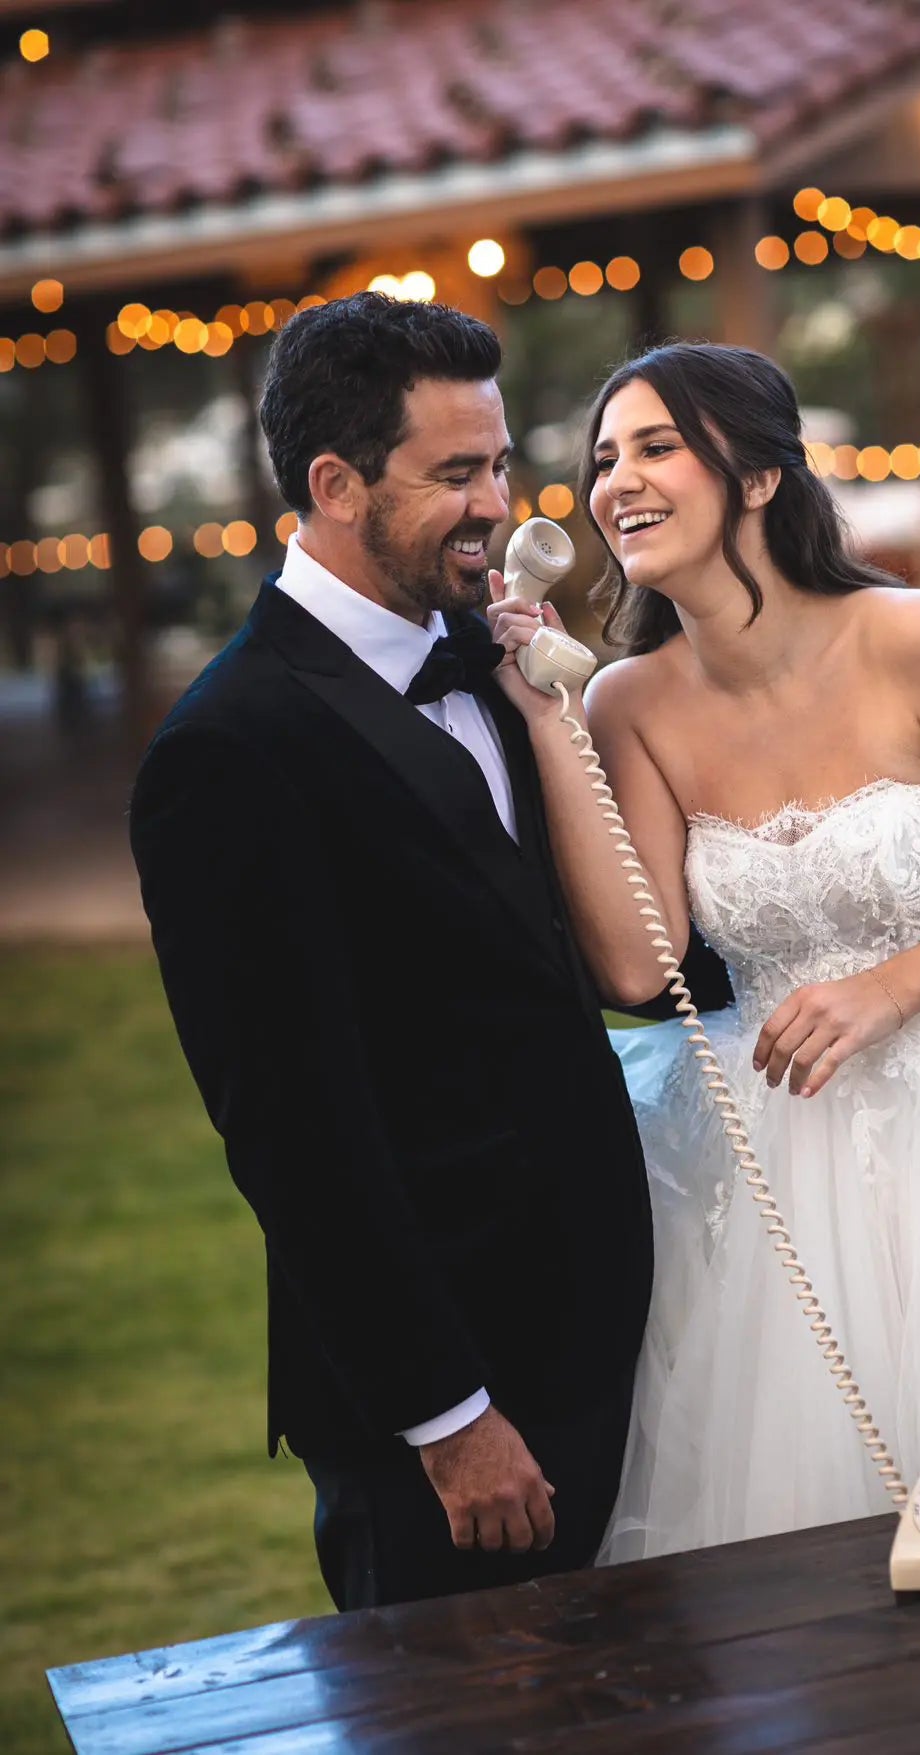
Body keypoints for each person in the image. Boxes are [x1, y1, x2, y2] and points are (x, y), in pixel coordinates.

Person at [486, 341, 920, 1563]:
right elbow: (641, 969)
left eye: (654, 447)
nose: (615, 482)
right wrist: (548, 721)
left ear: (755, 477)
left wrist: (888, 990)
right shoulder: (625, 703)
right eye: (601, 459)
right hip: (777, 1151)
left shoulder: (919, 639)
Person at [129, 292, 657, 1609]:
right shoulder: (227, 750)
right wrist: (447, 1416)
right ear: (335, 483)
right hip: (449, 1408)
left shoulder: (489, 658)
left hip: (601, 1336)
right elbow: (292, 1126)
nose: (498, 504)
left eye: (497, 462)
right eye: (455, 473)